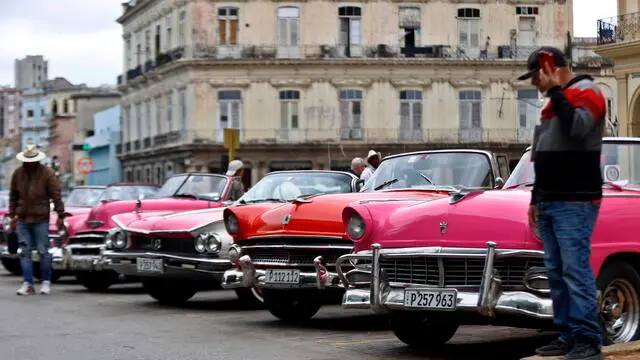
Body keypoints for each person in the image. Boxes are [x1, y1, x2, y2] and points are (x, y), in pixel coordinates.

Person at [521, 47, 607, 360]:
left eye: (535, 75)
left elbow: (578, 128)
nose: (534, 84)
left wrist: (557, 91)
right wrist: (535, 196)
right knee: (557, 271)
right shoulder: (552, 103)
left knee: (574, 270)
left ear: (549, 68)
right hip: (551, 199)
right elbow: (543, 152)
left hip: (575, 199)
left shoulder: (588, 91)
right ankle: (568, 334)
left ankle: (587, 338)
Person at [9, 145, 65, 295]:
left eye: (32, 160)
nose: (29, 163)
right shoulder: (18, 174)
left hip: (41, 218)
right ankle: (28, 283)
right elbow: (13, 196)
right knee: (24, 251)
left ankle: (46, 281)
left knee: (43, 251)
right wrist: (12, 215)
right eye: (27, 160)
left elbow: (56, 194)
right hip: (22, 218)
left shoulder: (47, 173)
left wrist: (60, 214)